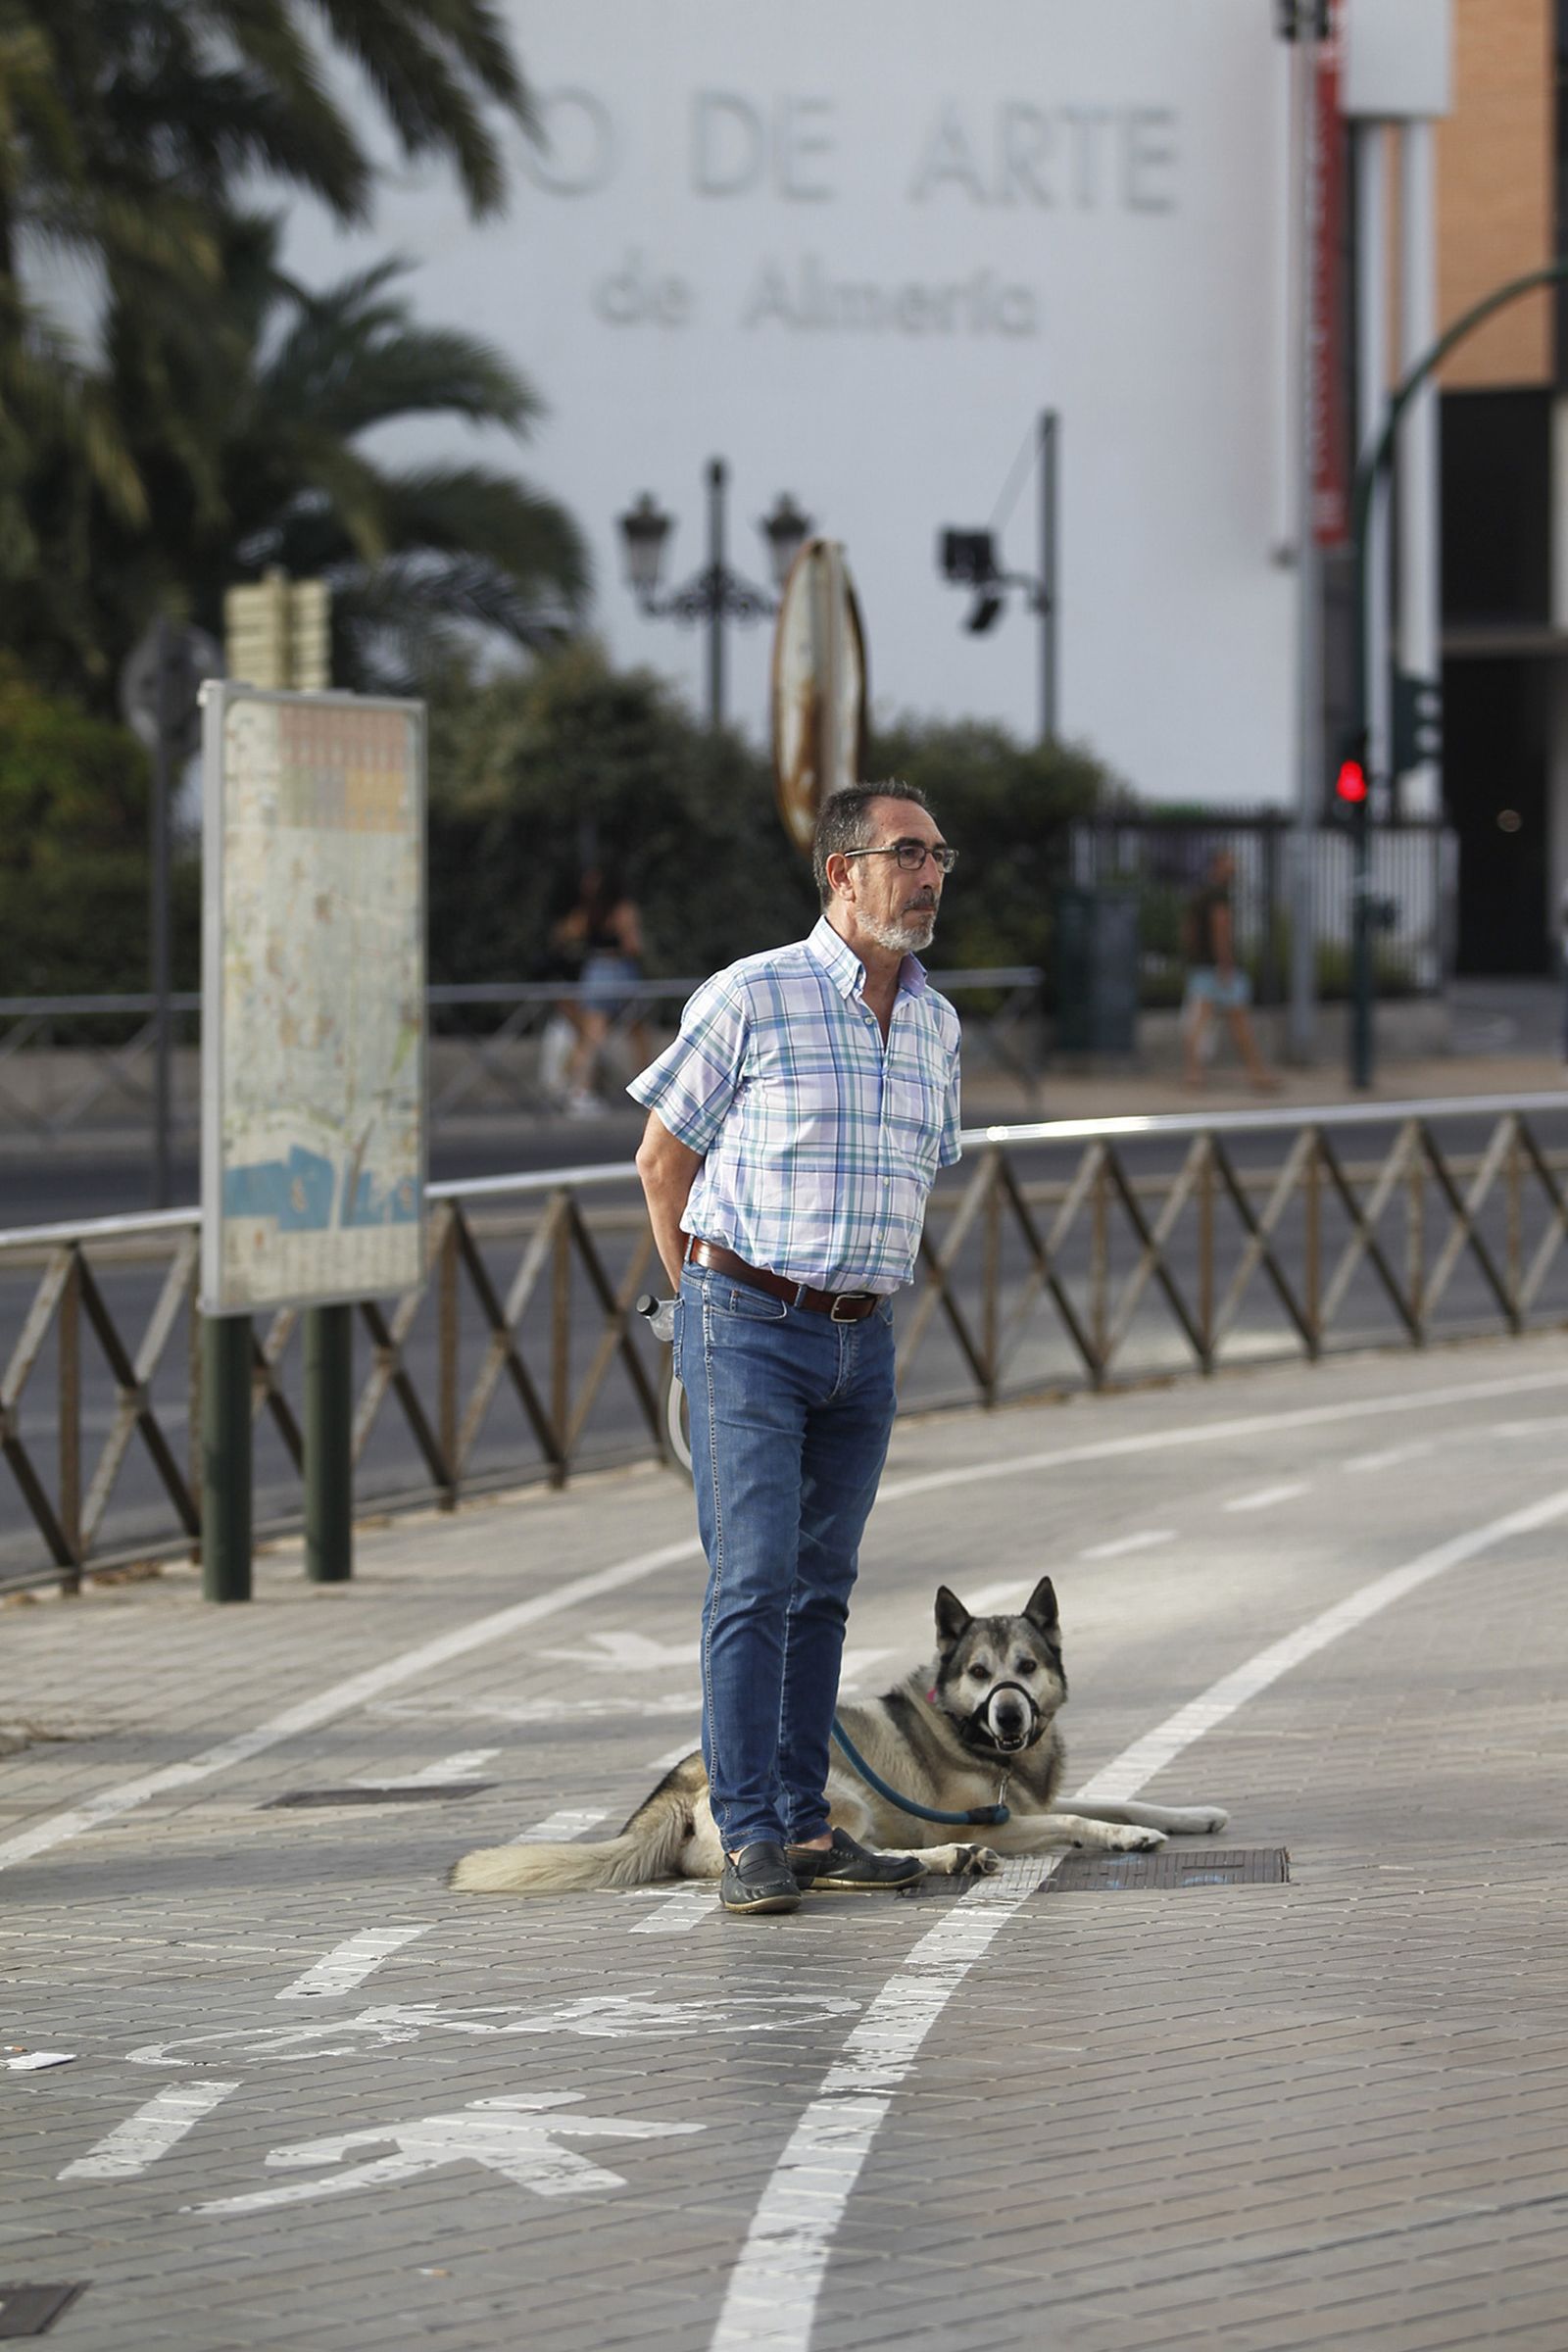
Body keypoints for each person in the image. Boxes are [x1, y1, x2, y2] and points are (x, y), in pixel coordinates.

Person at [627, 783, 962, 1915]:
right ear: (842, 871)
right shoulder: (752, 996)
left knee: (821, 1588)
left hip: (859, 1342)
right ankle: (748, 1834)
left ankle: (807, 1823)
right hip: (746, 1328)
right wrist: (705, 1320)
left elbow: (918, 1175)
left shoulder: (933, 1021)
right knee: (754, 1578)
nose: (926, 876)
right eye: (905, 854)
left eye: (936, 857)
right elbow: (659, 1164)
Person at [555, 865, 651, 1116]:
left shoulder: (586, 912)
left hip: (595, 971)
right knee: (636, 1033)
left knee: (591, 1036)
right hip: (619, 970)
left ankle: (577, 1090)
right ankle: (651, 1090)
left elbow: (564, 934)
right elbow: (633, 945)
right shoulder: (622, 909)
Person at [1180, 848, 1277, 1091]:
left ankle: (1194, 1074)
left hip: (1202, 966)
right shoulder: (1218, 896)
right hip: (1217, 968)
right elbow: (1220, 927)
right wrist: (1225, 963)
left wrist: (1194, 955)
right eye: (1229, 862)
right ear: (1218, 865)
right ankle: (1257, 1074)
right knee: (1238, 1021)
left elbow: (1188, 930)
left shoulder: (1200, 894)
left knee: (1199, 1022)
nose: (1234, 867)